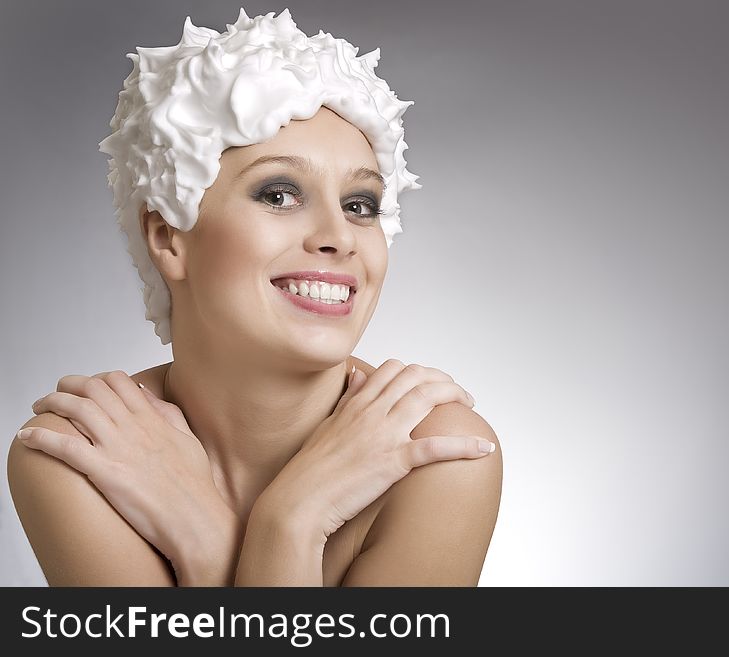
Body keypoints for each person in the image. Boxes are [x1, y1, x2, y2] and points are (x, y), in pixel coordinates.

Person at [6, 9, 502, 587]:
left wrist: (283, 522)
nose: (338, 237)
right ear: (168, 236)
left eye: (360, 205)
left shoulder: (440, 450)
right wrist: (266, 536)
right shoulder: (82, 452)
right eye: (280, 194)